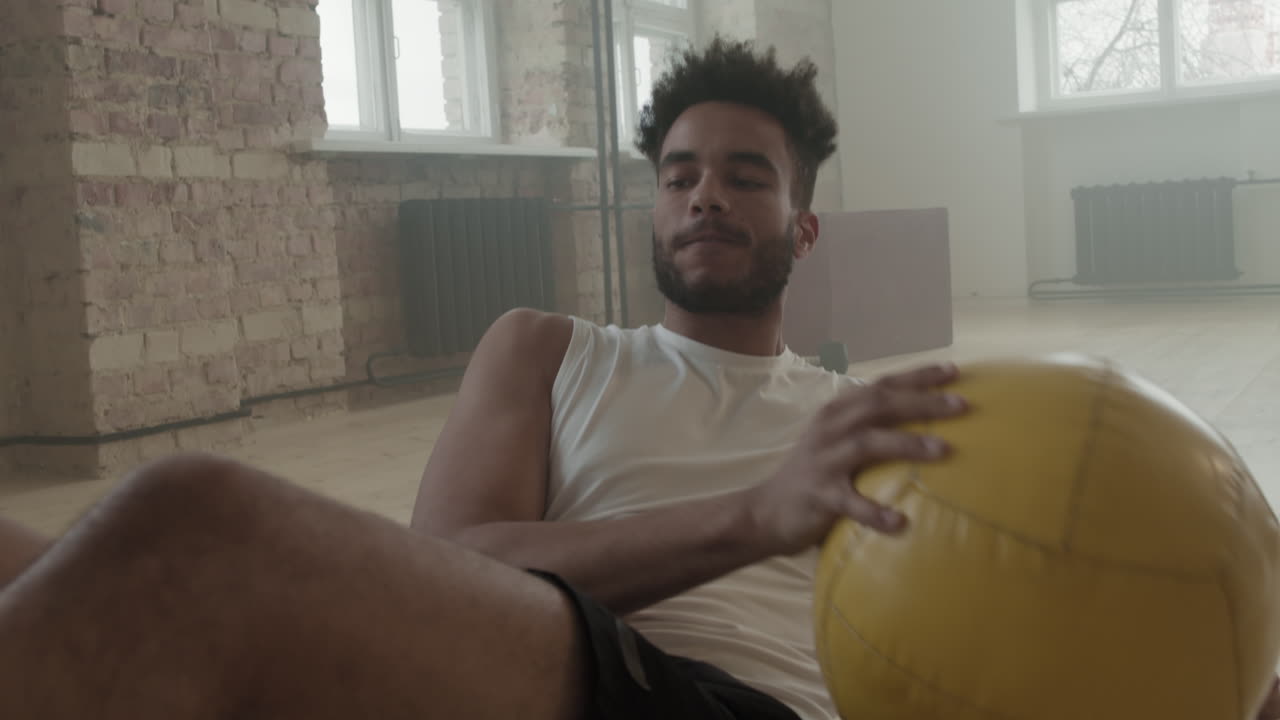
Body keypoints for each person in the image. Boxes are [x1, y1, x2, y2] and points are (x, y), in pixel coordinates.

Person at [0, 37, 1276, 720]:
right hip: (525, 672)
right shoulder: (547, 349)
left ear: (802, 228)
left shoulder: (859, 424)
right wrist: (749, 516)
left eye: (744, 174)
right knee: (53, 552)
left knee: (188, 527)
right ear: (648, 211)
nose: (703, 194)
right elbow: (453, 559)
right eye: (676, 174)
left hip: (739, 711)